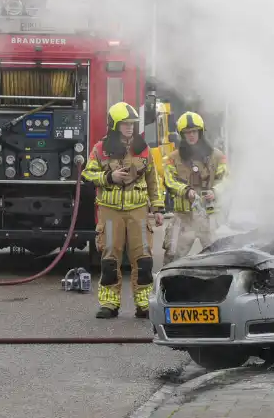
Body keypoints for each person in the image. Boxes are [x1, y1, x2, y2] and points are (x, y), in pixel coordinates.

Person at [81, 102, 165, 319]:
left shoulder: (143, 149)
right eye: (125, 124)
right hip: (110, 212)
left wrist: (157, 208)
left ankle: (144, 304)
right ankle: (109, 303)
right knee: (110, 259)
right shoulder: (100, 149)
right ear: (114, 125)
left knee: (144, 260)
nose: (130, 127)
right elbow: (87, 175)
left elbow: (153, 180)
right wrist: (110, 177)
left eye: (132, 124)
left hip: (138, 211)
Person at [163, 111, 228, 263]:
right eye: (187, 133)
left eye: (194, 132)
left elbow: (226, 178)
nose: (191, 135)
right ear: (182, 135)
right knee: (173, 257)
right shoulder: (172, 158)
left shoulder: (217, 156)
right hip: (183, 216)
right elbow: (169, 180)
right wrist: (186, 191)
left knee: (216, 258)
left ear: (201, 132)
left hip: (208, 216)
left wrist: (215, 192)